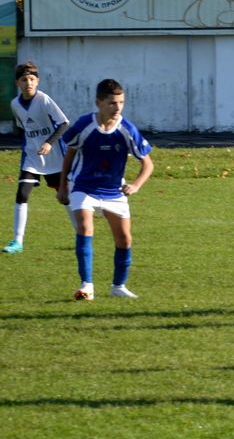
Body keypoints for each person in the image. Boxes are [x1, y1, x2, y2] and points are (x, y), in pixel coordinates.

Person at [56, 79, 154, 301]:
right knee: (84, 226)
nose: (117, 107)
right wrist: (62, 187)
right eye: (112, 103)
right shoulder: (84, 125)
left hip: (113, 191)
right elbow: (69, 156)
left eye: (121, 102)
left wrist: (136, 185)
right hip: (83, 187)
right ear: (99, 102)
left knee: (125, 240)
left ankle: (118, 286)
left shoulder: (127, 129)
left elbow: (147, 163)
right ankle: (87, 285)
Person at [5, 62, 71, 254]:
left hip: (55, 157)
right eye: (24, 80)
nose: (28, 83)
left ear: (38, 81)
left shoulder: (44, 100)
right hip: (32, 158)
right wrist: (29, 146)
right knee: (22, 194)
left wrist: (49, 142)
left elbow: (64, 123)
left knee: (64, 197)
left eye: (32, 79)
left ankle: (82, 234)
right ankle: (17, 242)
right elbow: (22, 128)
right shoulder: (15, 104)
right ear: (17, 83)